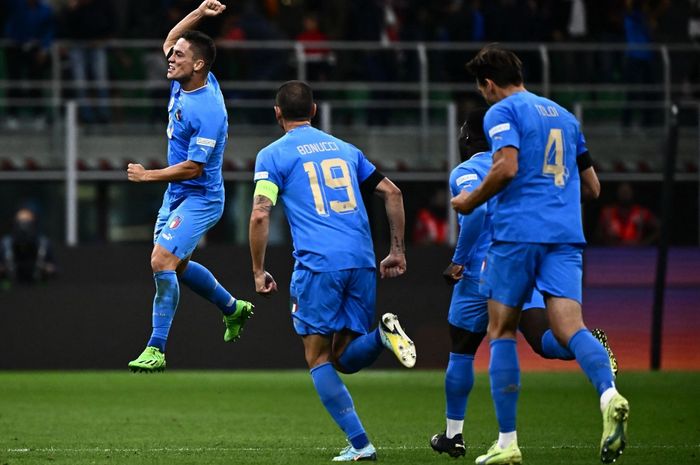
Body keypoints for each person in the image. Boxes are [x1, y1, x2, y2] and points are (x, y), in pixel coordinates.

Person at [452, 45, 629, 465]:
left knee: (501, 331)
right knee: (571, 327)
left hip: (518, 236)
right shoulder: (566, 117)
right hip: (566, 237)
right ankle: (608, 394)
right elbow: (593, 188)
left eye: (483, 90)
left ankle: (508, 442)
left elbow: (507, 167)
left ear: (489, 84)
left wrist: (471, 201)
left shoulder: (502, 112)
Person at [249, 80, 416, 462]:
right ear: (314, 110)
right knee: (343, 355)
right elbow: (393, 193)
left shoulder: (272, 156)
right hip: (361, 261)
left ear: (277, 114)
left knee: (318, 357)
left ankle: (361, 445)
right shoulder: (347, 150)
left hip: (318, 263)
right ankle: (382, 337)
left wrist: (258, 270)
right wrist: (397, 251)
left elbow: (261, 211)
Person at [125, 0, 254, 373]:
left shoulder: (209, 110)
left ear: (197, 64)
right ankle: (233, 308)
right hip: (177, 195)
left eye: (179, 55)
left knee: (160, 261)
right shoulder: (187, 78)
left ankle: (157, 348)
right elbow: (171, 38)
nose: (170, 57)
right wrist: (199, 12)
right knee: (176, 267)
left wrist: (147, 175)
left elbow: (195, 169)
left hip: (202, 197)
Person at [0, 208, 56, 286]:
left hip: (37, 289)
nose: (23, 228)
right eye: (20, 223)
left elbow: (55, 269)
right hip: (11, 289)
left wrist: (46, 269)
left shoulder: (43, 245)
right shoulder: (5, 244)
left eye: (27, 223)